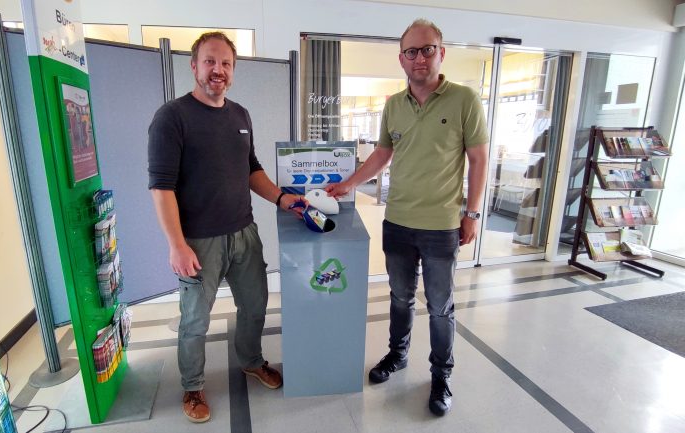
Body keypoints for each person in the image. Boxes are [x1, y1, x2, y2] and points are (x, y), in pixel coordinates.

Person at [325, 19, 489, 417]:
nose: (419, 58)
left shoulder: (464, 99)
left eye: (427, 49)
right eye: (411, 52)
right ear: (401, 59)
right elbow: (383, 155)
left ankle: (440, 376)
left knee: (439, 307)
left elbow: (479, 158)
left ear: (441, 52)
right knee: (399, 297)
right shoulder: (394, 105)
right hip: (397, 221)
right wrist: (349, 184)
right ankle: (397, 356)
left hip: (442, 226)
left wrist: (472, 213)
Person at [148, 31, 304, 423]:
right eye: (210, 62)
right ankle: (193, 386)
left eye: (226, 64)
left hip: (244, 233)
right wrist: (176, 245)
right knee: (196, 320)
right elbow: (161, 188)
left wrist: (282, 198)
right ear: (194, 65)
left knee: (254, 305)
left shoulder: (240, 115)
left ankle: (252, 361)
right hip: (198, 242)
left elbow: (251, 169)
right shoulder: (172, 117)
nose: (218, 70)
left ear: (233, 70)